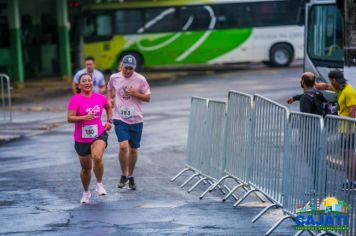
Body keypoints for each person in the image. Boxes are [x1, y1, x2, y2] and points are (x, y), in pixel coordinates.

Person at [107, 55, 151, 190]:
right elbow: (109, 89)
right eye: (126, 68)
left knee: (133, 149)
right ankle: (123, 174)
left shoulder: (140, 79)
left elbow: (148, 98)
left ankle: (130, 176)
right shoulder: (115, 77)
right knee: (123, 146)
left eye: (131, 69)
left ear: (134, 68)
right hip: (119, 118)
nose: (128, 71)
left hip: (136, 119)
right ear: (122, 65)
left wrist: (135, 93)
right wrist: (110, 100)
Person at [67, 72, 112, 204]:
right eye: (84, 81)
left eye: (89, 80)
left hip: (99, 134)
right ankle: (86, 192)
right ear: (79, 85)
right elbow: (70, 118)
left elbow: (108, 106)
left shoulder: (100, 98)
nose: (87, 83)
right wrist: (83, 118)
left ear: (92, 83)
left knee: (97, 157)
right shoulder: (75, 100)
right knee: (86, 170)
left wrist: (109, 121)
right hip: (81, 139)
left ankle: (99, 184)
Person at [315, 70, 356, 189]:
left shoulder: (349, 92)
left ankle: (353, 181)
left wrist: (349, 129)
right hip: (344, 129)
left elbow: (353, 110)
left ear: (334, 80)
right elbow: (328, 87)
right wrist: (315, 85)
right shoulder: (341, 89)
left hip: (350, 130)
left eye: (331, 81)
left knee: (350, 155)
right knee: (345, 155)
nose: (330, 84)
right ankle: (349, 180)